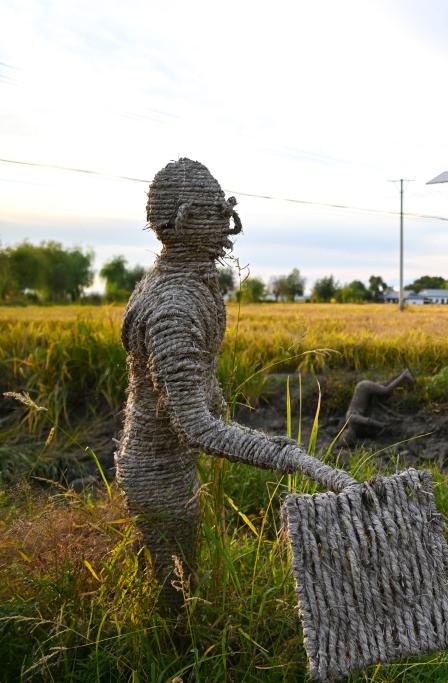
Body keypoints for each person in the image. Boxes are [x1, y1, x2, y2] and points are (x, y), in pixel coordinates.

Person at [115, 158, 354, 607]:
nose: (228, 217)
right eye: (215, 209)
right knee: (176, 596)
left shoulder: (181, 281)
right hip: (158, 475)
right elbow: (195, 427)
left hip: (168, 465)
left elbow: (196, 382)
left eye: (225, 206)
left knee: (170, 578)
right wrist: (290, 457)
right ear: (186, 219)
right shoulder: (174, 307)